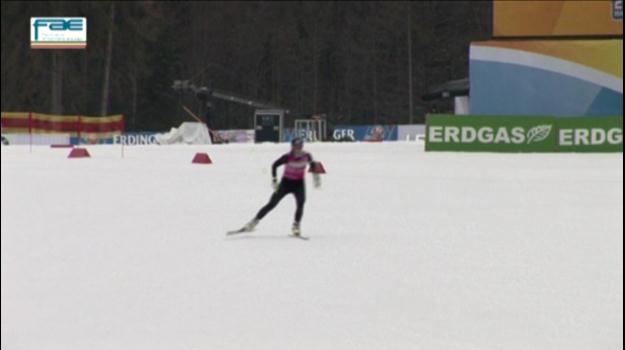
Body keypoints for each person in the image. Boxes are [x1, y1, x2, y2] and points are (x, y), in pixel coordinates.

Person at [243, 138, 321, 237]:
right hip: (286, 184)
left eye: (300, 146)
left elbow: (313, 164)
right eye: (296, 147)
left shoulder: (307, 156)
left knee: (300, 204)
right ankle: (253, 222)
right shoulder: (287, 157)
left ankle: (296, 226)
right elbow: (274, 165)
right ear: (292, 147)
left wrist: (316, 177)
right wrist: (275, 180)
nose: (298, 149)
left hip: (299, 184)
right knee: (272, 204)